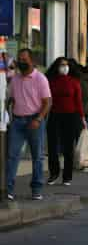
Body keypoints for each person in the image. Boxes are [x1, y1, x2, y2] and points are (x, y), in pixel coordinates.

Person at [7, 49, 51, 201]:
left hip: (35, 120)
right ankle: (8, 190)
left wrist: (38, 119)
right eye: (19, 59)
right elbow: (11, 99)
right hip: (17, 121)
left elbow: (47, 102)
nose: (21, 62)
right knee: (12, 156)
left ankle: (36, 189)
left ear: (32, 61)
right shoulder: (15, 79)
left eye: (24, 59)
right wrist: (9, 114)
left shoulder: (40, 79)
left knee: (37, 157)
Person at [46, 57, 85, 186]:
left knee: (68, 147)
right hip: (54, 115)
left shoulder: (74, 82)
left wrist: (82, 118)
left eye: (66, 65)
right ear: (57, 67)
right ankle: (54, 173)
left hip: (70, 116)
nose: (64, 67)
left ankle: (67, 176)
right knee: (52, 146)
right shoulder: (51, 81)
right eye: (62, 65)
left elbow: (78, 101)